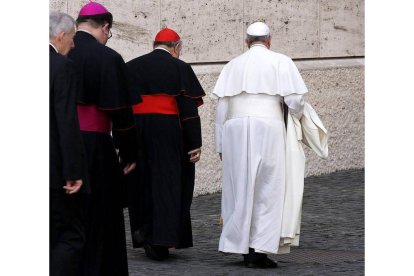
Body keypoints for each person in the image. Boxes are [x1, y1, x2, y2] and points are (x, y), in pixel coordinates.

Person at [212, 22, 308, 269]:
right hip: (269, 126)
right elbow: (295, 99)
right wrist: (296, 116)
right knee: (268, 187)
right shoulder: (282, 61)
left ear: (247, 41)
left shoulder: (233, 65)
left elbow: (221, 108)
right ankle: (259, 249)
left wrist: (221, 144)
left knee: (239, 187)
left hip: (234, 127)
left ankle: (240, 246)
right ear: (269, 40)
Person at [67, 2, 141, 275]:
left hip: (60, 145)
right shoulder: (107, 57)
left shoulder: (59, 52)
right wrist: (129, 153)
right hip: (96, 147)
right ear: (105, 27)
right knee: (101, 215)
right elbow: (121, 114)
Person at [126, 27, 205, 261]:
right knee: (168, 183)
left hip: (137, 130)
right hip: (170, 133)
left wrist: (123, 139)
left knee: (142, 182)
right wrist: (195, 144)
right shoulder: (181, 68)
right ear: (176, 47)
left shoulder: (131, 66)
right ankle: (162, 239)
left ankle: (145, 233)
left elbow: (123, 107)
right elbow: (189, 112)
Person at [49, 11, 89, 276]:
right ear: (61, 35)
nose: (73, 45)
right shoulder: (61, 66)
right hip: (52, 170)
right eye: (72, 38)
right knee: (70, 235)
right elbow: (66, 121)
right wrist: (74, 172)